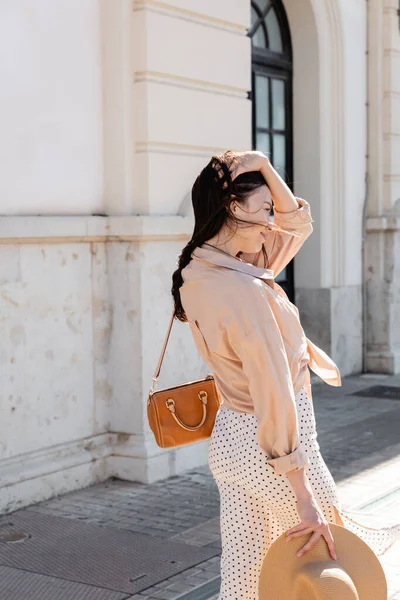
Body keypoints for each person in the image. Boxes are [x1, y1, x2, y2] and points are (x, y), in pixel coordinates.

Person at [171, 150, 398, 599]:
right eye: (264, 209)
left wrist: (263, 166)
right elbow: (273, 391)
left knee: (244, 579)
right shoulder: (244, 286)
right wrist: (302, 490)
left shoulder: (206, 268)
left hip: (231, 445)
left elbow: (296, 225)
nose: (273, 219)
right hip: (274, 450)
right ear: (234, 209)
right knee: (333, 568)